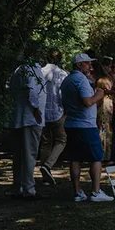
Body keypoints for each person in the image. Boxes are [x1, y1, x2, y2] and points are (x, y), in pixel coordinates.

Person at [60, 54, 112, 202]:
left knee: (75, 158)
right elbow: (87, 102)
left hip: (71, 123)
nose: (90, 66)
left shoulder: (67, 80)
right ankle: (96, 191)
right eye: (87, 63)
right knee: (96, 157)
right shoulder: (81, 80)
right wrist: (99, 94)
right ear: (79, 65)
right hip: (85, 125)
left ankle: (77, 192)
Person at [9, 61, 47, 199]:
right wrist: (36, 109)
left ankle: (18, 186)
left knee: (19, 155)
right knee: (29, 154)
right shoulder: (32, 69)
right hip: (30, 118)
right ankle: (28, 189)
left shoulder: (18, 69)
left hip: (19, 118)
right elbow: (33, 89)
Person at [38, 48, 69, 185]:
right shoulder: (62, 74)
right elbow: (64, 94)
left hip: (43, 113)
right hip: (58, 111)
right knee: (61, 140)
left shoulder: (40, 72)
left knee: (46, 142)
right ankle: (48, 165)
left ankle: (46, 174)